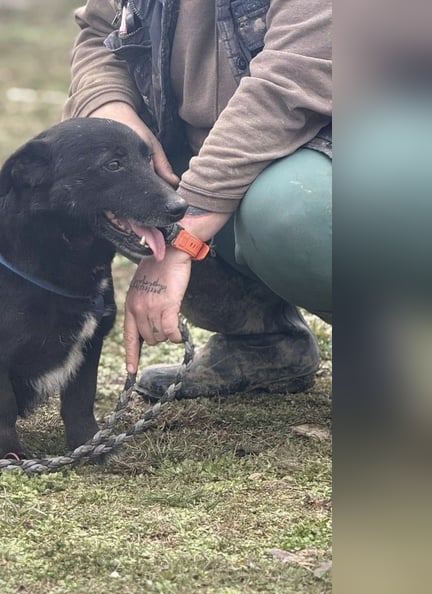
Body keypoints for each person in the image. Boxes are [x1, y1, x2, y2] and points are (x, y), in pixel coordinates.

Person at [63, 0, 332, 399]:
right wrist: (109, 110)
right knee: (126, 182)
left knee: (292, 211)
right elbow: (100, 33)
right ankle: (264, 343)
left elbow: (291, 82)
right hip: (236, 153)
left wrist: (181, 237)